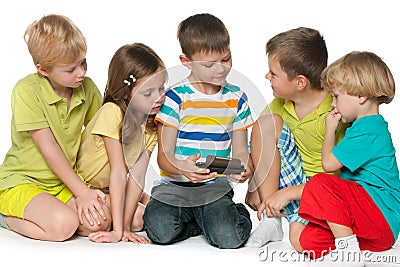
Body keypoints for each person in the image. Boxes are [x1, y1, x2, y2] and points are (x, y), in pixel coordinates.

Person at [142, 13, 254, 249]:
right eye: (209, 64)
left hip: (214, 187)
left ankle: (231, 215)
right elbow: (164, 158)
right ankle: (201, 223)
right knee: (159, 230)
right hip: (174, 187)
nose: (221, 69)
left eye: (227, 58)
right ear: (186, 62)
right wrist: (183, 167)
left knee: (228, 238)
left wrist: (240, 169)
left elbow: (242, 152)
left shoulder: (236, 98)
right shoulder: (175, 97)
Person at [0, 14, 110, 241]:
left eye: (83, 62)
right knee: (63, 226)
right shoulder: (26, 90)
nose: (81, 72)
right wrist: (82, 193)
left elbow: (98, 137)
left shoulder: (87, 88)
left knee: (100, 223)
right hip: (24, 181)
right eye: (71, 69)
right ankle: (5, 217)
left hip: (62, 182)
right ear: (43, 70)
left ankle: (53, 211)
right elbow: (48, 147)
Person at [245, 27, 347, 249]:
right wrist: (254, 183)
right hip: (287, 182)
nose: (266, 76)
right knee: (266, 123)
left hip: (321, 189)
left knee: (300, 240)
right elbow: (259, 143)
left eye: (273, 74)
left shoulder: (336, 109)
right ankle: (272, 218)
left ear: (300, 83)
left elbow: (342, 169)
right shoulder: (280, 105)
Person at [295, 51, 400, 266]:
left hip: (381, 215)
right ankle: (350, 245)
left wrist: (330, 130)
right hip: (370, 225)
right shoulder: (359, 128)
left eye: (336, 96)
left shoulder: (370, 129)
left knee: (319, 183)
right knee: (309, 239)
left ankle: (348, 250)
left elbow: (328, 165)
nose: (333, 104)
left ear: (360, 96)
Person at [75, 43, 166, 243]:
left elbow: (137, 176)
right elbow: (118, 170)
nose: (159, 97)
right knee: (99, 222)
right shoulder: (112, 112)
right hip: (86, 187)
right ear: (126, 93)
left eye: (161, 88)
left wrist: (124, 228)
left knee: (138, 220)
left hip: (112, 188)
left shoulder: (151, 125)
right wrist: (116, 231)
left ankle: (125, 210)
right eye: (148, 92)